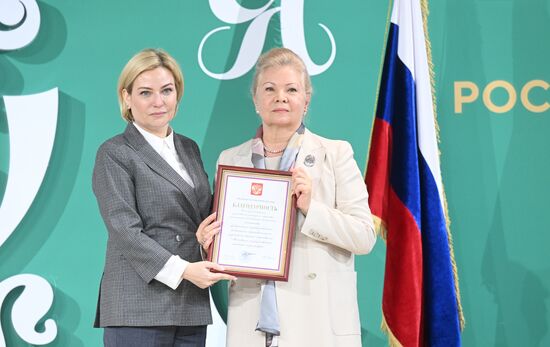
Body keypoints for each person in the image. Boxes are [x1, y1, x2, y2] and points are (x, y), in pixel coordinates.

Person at [197, 47, 377, 347]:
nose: (280, 97)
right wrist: (209, 244)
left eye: (291, 89)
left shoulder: (335, 154)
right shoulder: (231, 159)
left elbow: (365, 235)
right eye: (270, 89)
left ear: (306, 100)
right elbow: (228, 244)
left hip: (317, 322)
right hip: (249, 324)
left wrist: (311, 208)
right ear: (256, 100)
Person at [92, 48, 235, 347]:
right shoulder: (115, 152)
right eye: (146, 93)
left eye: (167, 90)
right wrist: (184, 270)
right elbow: (124, 230)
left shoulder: (189, 148)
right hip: (138, 306)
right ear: (127, 97)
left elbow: (202, 217)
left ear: (177, 94)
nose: (158, 102)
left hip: (190, 306)